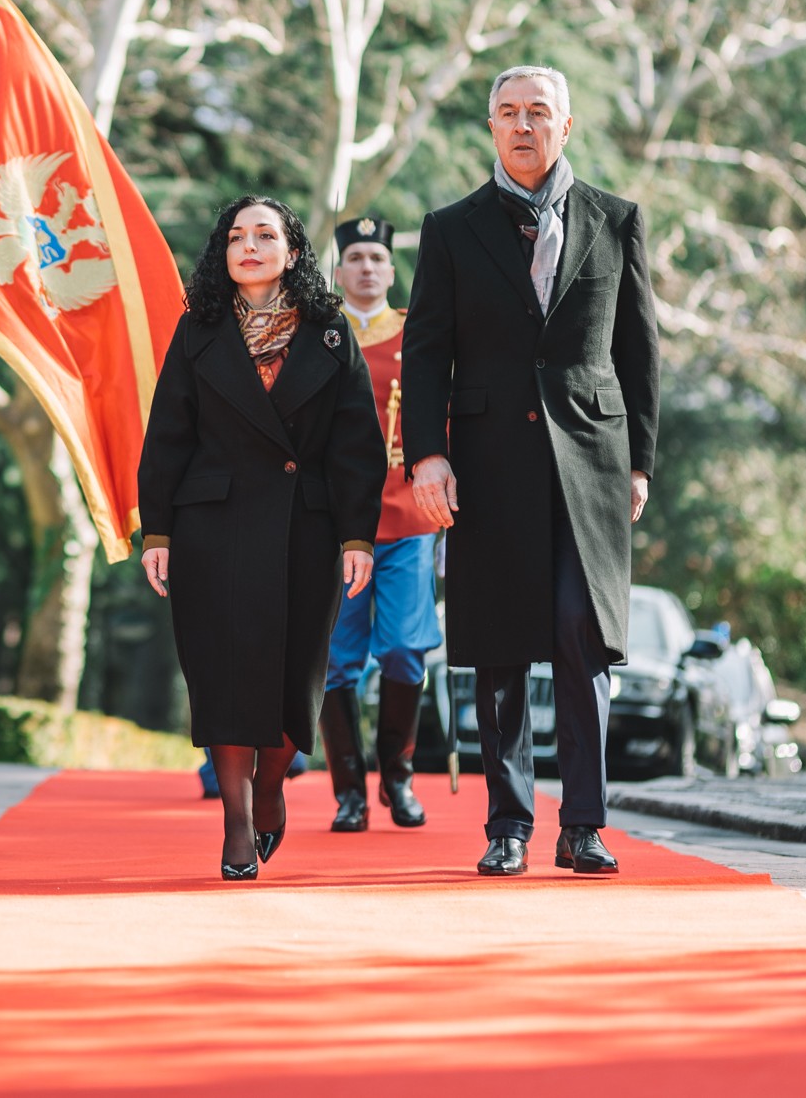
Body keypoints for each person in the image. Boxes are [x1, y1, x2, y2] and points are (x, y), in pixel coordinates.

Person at [400, 64, 660, 879]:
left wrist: (640, 462)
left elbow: (639, 353)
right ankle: (508, 823)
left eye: (538, 112)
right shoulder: (451, 228)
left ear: (566, 126)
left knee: (582, 637)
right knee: (503, 646)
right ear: (491, 127)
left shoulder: (616, 221)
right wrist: (427, 455)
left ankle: (583, 822)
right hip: (486, 463)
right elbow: (426, 350)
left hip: (591, 460)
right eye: (508, 112)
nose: (522, 125)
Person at [138, 197, 384, 881]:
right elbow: (168, 435)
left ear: (293, 251)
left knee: (292, 680)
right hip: (210, 525)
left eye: (266, 234)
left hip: (304, 526)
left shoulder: (331, 332)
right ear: (223, 252)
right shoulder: (199, 330)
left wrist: (357, 537)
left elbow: (357, 446)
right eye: (237, 236)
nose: (250, 245)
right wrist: (156, 527)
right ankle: (237, 822)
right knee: (219, 676)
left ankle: (272, 784)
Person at [321, 216, 448, 833]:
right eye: (356, 258)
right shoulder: (319, 333)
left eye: (377, 258)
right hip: (338, 521)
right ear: (339, 270)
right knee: (336, 659)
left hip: (408, 516)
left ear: (391, 271)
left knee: (402, 647)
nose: (367, 267)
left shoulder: (417, 333)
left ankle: (397, 777)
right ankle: (349, 791)